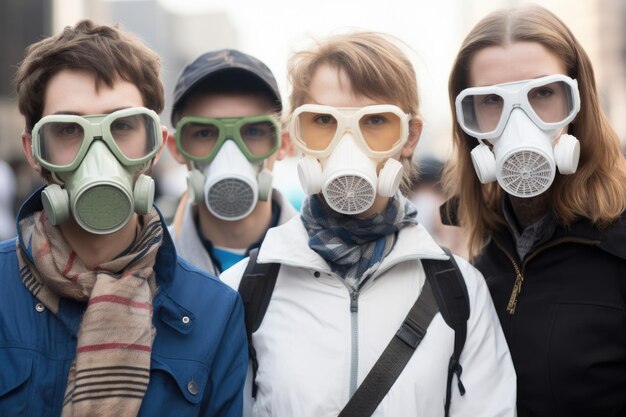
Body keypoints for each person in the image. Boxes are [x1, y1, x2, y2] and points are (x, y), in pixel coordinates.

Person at [221, 31, 516, 417]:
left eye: (376, 120)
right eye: (323, 120)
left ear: (410, 137)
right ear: (296, 135)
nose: (349, 143)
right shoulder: (245, 290)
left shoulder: (460, 291)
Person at [0, 20, 247, 417]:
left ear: (155, 146)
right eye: (68, 129)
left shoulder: (213, 311)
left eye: (124, 126)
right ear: (33, 151)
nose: (100, 154)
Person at [442, 4, 626, 416]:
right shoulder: (480, 260)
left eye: (543, 93)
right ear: (468, 124)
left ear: (579, 101)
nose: (518, 120)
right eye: (491, 100)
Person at [167, 49, 297, 275]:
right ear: (177, 148)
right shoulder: (152, 264)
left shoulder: (319, 259)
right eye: (205, 133)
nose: (230, 152)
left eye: (253, 131)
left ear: (283, 144)